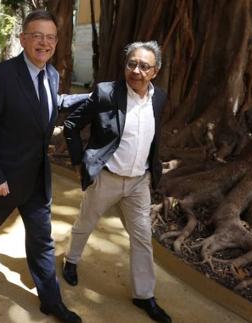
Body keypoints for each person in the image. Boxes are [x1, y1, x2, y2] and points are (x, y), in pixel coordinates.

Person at [0, 10, 88, 323]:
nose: (44, 42)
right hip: (1, 179)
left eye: (50, 37)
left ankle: (51, 300)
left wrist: (91, 97)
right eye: (37, 35)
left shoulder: (53, 75)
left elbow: (47, 105)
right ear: (23, 39)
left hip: (36, 178)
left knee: (42, 241)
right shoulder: (1, 76)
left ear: (57, 42)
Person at [62, 41, 172, 323]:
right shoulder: (107, 92)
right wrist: (79, 161)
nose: (136, 70)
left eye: (143, 66)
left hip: (139, 183)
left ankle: (144, 295)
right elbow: (73, 124)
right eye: (131, 64)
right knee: (85, 223)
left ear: (155, 71)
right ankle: (71, 261)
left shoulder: (159, 98)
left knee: (142, 239)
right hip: (107, 177)